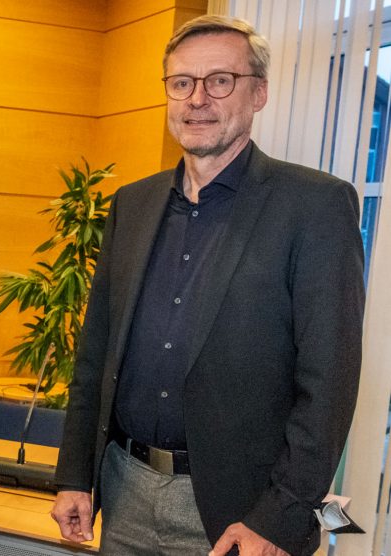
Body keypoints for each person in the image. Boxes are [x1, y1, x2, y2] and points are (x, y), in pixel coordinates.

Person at [50, 15, 364, 556]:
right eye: (181, 83)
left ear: (258, 92)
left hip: (238, 514)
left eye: (219, 81)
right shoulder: (133, 203)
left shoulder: (315, 207)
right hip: (123, 491)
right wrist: (76, 473)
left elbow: (328, 386)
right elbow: (94, 355)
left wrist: (278, 518)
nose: (197, 99)